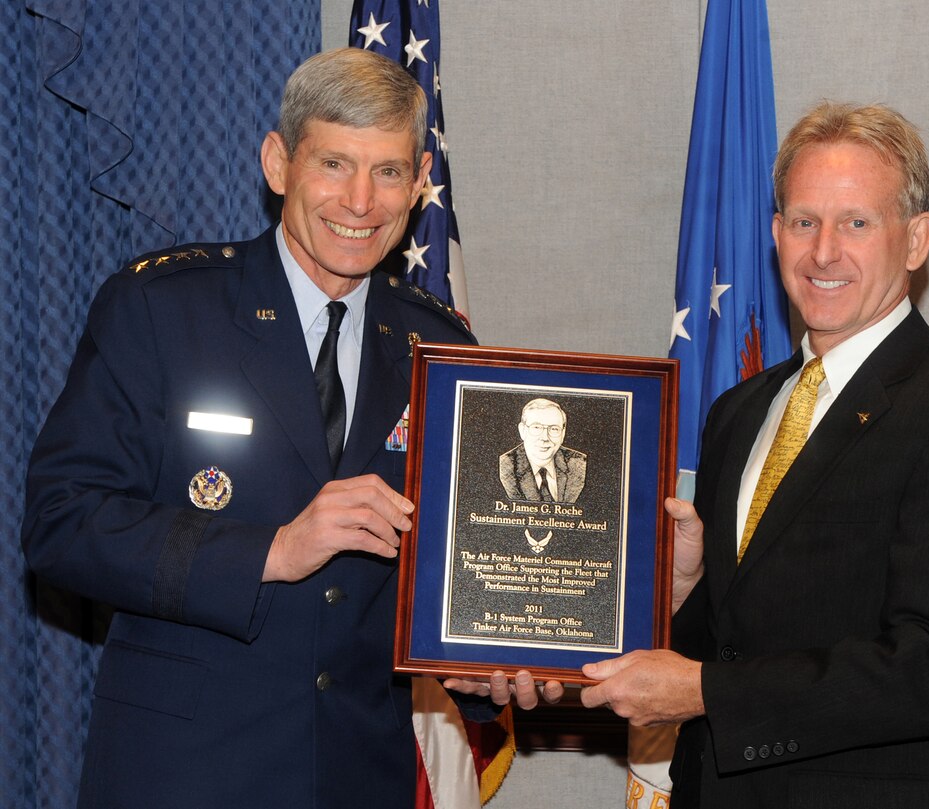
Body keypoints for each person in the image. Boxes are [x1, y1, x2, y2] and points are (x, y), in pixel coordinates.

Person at [21, 48, 555, 809]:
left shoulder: (443, 350)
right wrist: (270, 550)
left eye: (390, 172)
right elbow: (61, 523)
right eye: (334, 164)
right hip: (185, 775)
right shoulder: (163, 310)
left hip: (357, 776)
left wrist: (473, 665)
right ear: (279, 163)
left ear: (419, 182)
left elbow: (453, 570)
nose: (361, 200)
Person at [579, 102, 929, 808]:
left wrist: (706, 691)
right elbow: (736, 637)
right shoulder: (739, 413)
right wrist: (681, 592)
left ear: (916, 240)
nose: (823, 251)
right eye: (803, 221)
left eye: (857, 222)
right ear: (776, 234)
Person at [498, 397, 587, 502]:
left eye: (554, 429)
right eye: (536, 427)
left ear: (563, 434)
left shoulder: (578, 464)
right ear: (522, 431)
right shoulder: (505, 466)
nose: (545, 437)